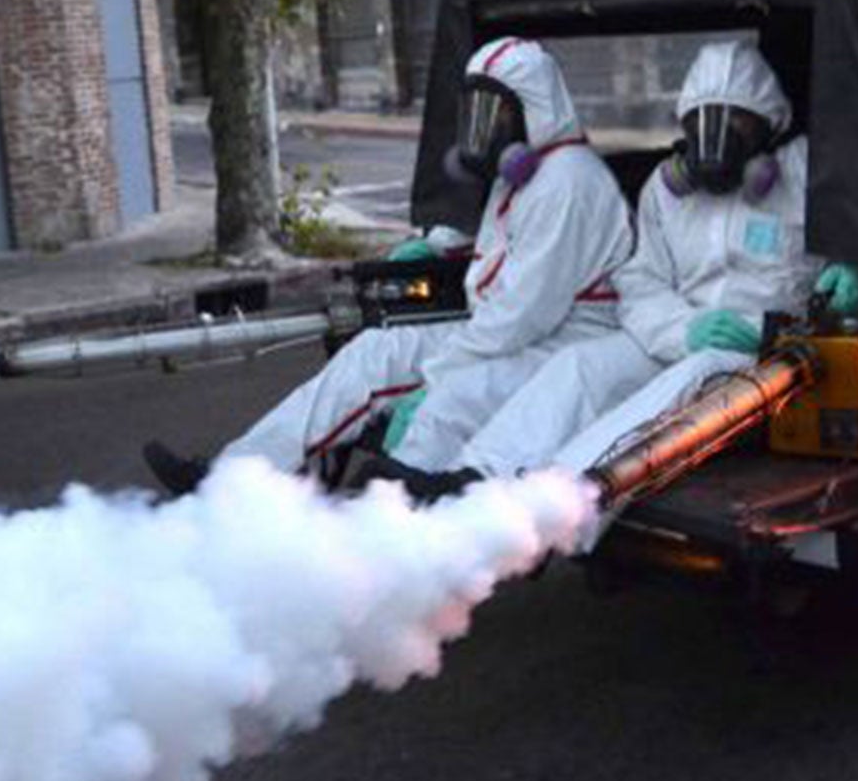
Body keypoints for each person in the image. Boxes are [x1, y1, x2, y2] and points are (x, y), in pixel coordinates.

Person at [144, 36, 634, 493]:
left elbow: (522, 315)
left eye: (497, 113)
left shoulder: (569, 182)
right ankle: (235, 480)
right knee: (371, 354)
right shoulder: (525, 176)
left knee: (452, 396)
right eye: (476, 111)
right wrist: (442, 246)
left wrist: (438, 376)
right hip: (505, 330)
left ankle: (390, 521)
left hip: (560, 342)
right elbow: (505, 247)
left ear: (535, 111)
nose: (483, 129)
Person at [401, 39, 858, 491]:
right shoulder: (665, 193)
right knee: (580, 366)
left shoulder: (809, 173)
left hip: (764, 349)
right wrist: (683, 328)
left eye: (736, 125)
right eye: (700, 123)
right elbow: (640, 280)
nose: (715, 142)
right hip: (682, 333)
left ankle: (557, 499)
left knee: (691, 380)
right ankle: (478, 474)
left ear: (771, 127)